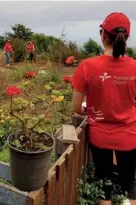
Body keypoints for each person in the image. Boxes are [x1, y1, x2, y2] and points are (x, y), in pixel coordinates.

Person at [72, 12, 136, 205]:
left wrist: (87, 110)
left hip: (100, 136)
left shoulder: (87, 66)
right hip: (130, 135)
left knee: (104, 181)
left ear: (102, 35)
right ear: (127, 38)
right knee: (130, 184)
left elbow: (76, 107)